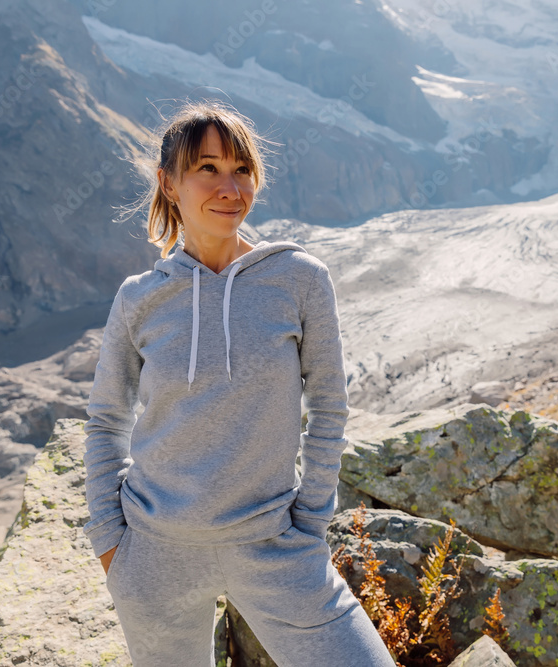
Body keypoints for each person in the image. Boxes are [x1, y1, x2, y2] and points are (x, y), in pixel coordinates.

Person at [82, 100, 396, 666]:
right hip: (155, 554)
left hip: (275, 546)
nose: (230, 187)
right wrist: (111, 541)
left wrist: (310, 522)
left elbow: (328, 407)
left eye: (242, 170)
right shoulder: (138, 298)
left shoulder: (299, 279)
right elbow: (107, 418)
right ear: (169, 183)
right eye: (207, 168)